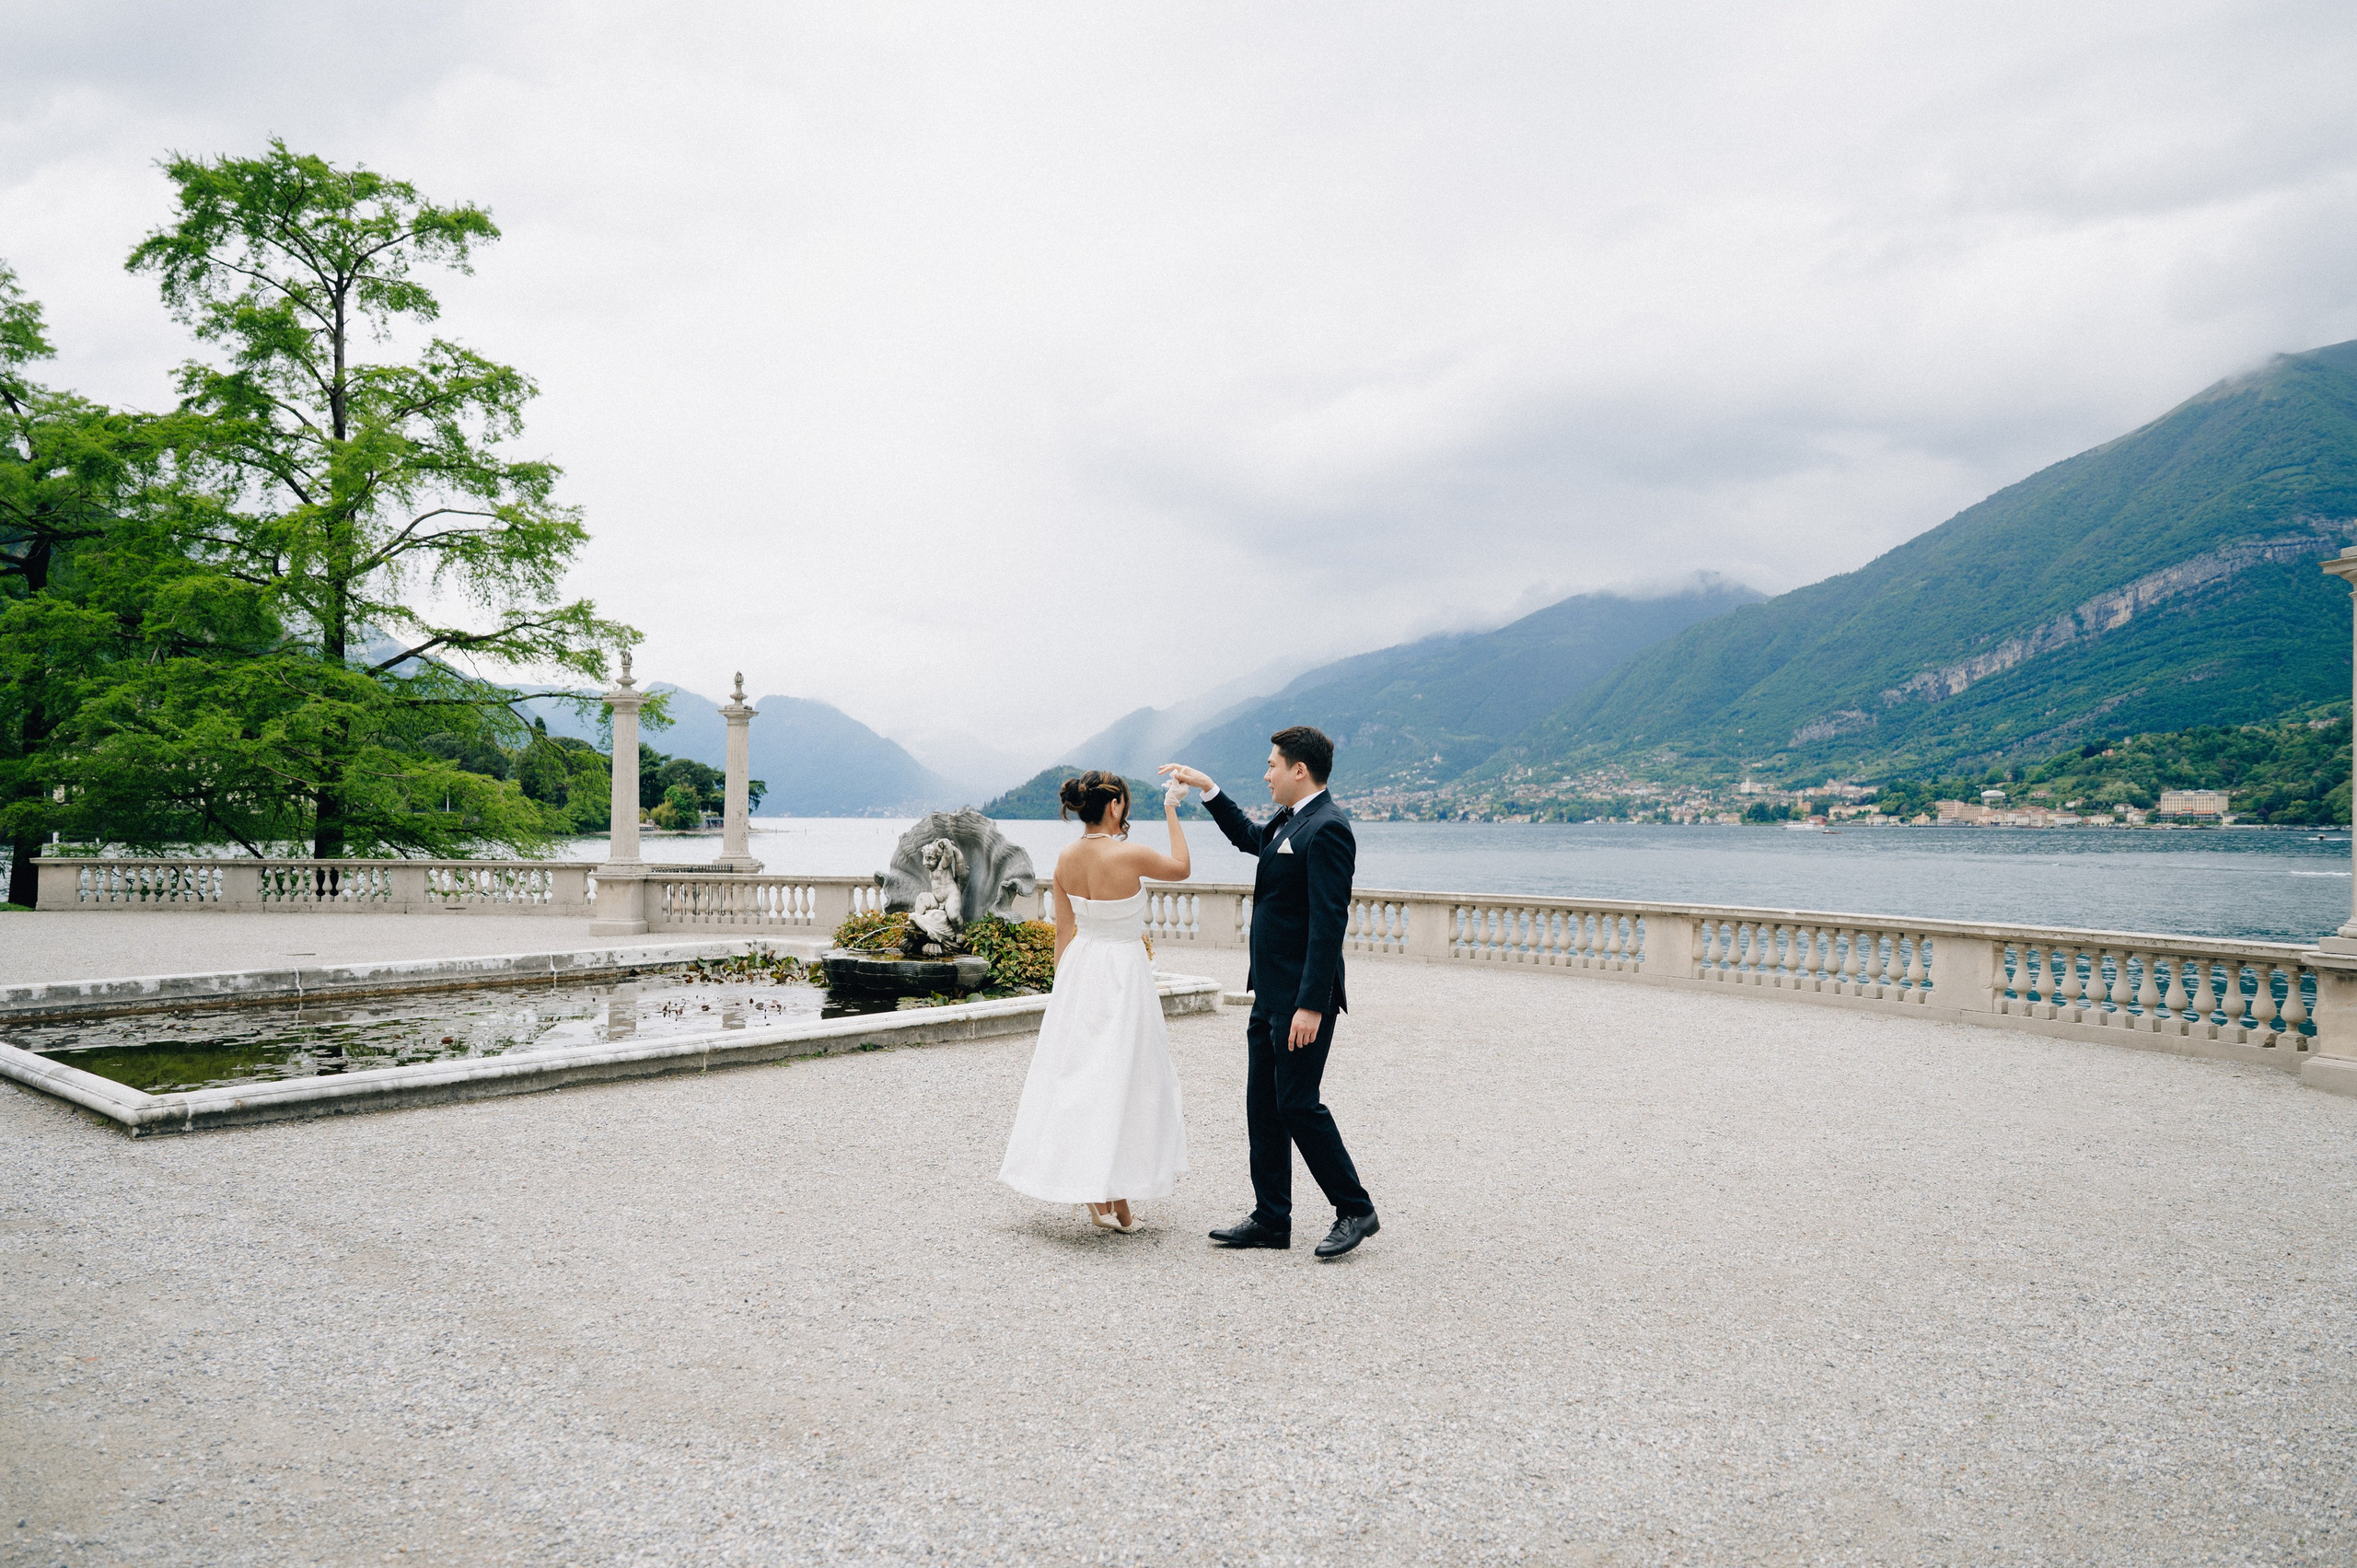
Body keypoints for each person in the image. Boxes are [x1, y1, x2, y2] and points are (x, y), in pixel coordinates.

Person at [1159, 726, 1379, 1260]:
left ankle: (1355, 1209)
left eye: (1272, 765)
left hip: (1302, 999)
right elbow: (1248, 837)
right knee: (1264, 1105)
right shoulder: (1290, 820)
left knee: (1298, 1104)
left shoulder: (1328, 828)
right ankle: (1270, 1218)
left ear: (1298, 770)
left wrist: (1312, 1004)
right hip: (1269, 993)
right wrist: (1209, 790)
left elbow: (1329, 923)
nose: (1267, 773)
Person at [998, 770, 1192, 1232]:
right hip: (1123, 972)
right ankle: (1112, 1195)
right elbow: (1182, 867)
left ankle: (1107, 1197)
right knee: (1123, 1079)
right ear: (1115, 806)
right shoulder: (1129, 854)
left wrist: (1061, 993)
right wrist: (1171, 807)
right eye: (1124, 802)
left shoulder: (1065, 858)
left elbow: (1064, 932)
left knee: (1081, 1079)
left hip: (1081, 970)